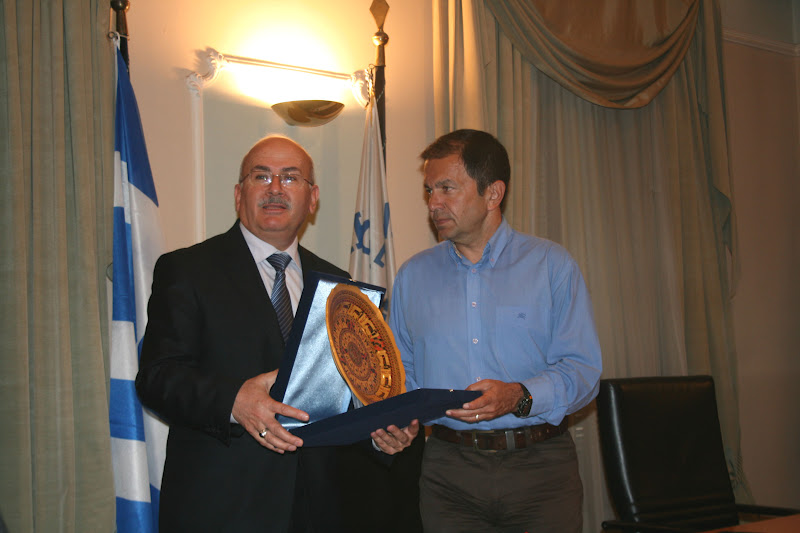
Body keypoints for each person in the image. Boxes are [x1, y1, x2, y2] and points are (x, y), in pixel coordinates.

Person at [136, 135, 419, 533]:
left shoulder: (340, 286)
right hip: (224, 507)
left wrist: (379, 431)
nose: (274, 189)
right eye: (261, 176)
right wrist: (234, 400)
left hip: (321, 508)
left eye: (290, 178)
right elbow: (157, 378)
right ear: (239, 194)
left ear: (312, 198)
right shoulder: (187, 270)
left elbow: (346, 395)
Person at [388, 129, 602, 533]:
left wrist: (518, 396)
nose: (433, 203)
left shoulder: (551, 266)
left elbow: (582, 371)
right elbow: (402, 373)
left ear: (493, 193)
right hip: (449, 472)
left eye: (447, 188)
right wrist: (395, 420)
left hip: (541, 470)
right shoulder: (413, 276)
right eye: (429, 190)